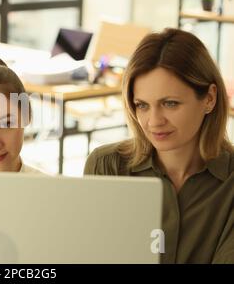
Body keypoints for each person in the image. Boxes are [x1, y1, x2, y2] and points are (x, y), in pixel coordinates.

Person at [84, 28, 233, 264]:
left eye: (170, 103)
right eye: (142, 105)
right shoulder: (107, 167)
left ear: (210, 98)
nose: (154, 122)